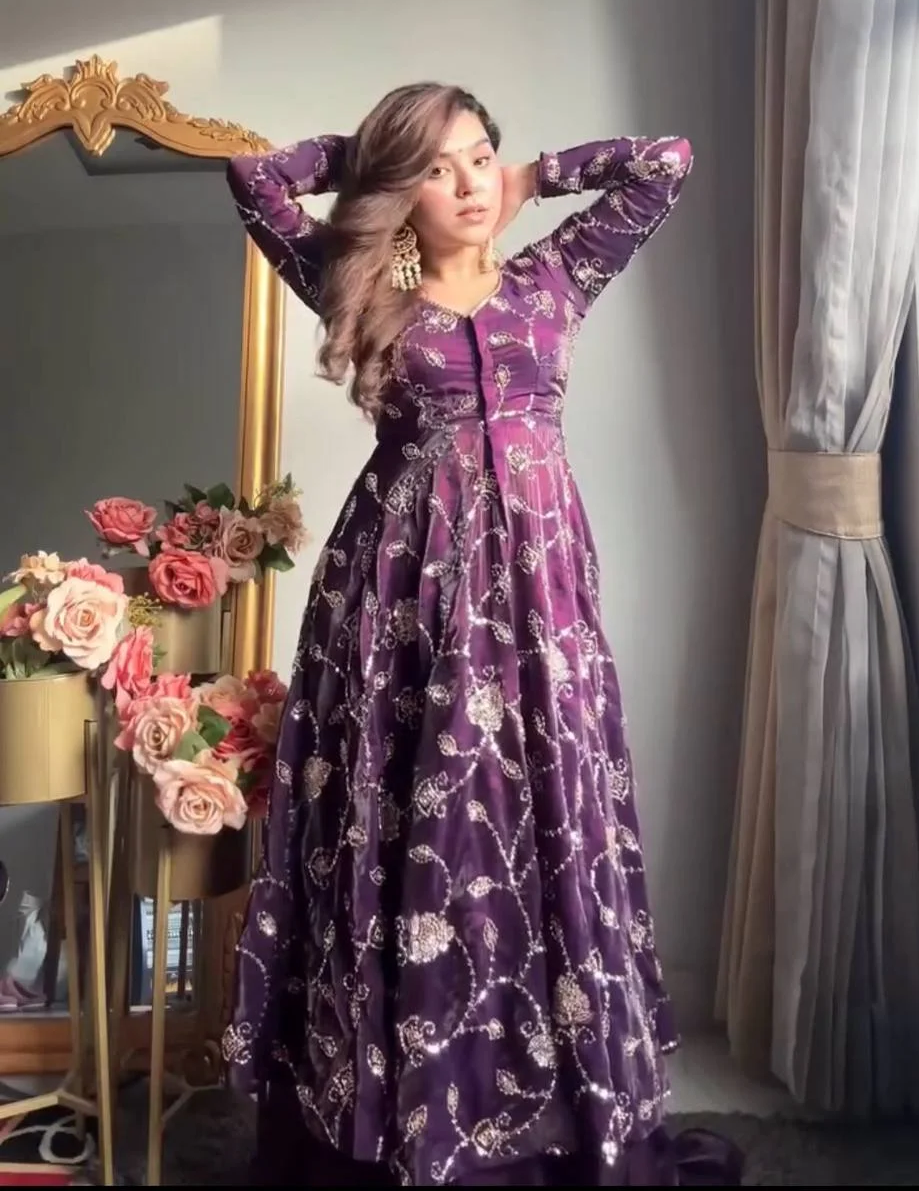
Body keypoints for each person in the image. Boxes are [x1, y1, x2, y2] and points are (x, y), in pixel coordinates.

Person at [221, 83, 742, 1187]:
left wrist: (537, 177)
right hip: (397, 596)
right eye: (436, 167)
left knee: (543, 813)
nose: (465, 182)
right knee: (406, 816)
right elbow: (254, 179)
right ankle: (400, 1115)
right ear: (399, 189)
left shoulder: (556, 273)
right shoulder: (365, 286)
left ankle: (551, 1114)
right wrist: (370, 156)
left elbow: (667, 160)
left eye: (477, 156)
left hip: (540, 598)